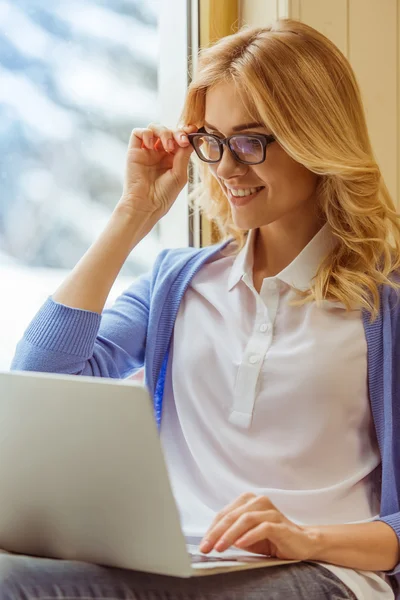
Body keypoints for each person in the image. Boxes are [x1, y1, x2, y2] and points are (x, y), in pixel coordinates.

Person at [6, 17, 400, 600]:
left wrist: (305, 536)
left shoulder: (382, 304)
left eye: (249, 141)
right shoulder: (177, 284)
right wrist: (133, 215)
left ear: (315, 138)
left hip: (325, 574)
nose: (226, 168)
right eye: (211, 142)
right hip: (179, 564)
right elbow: (39, 380)